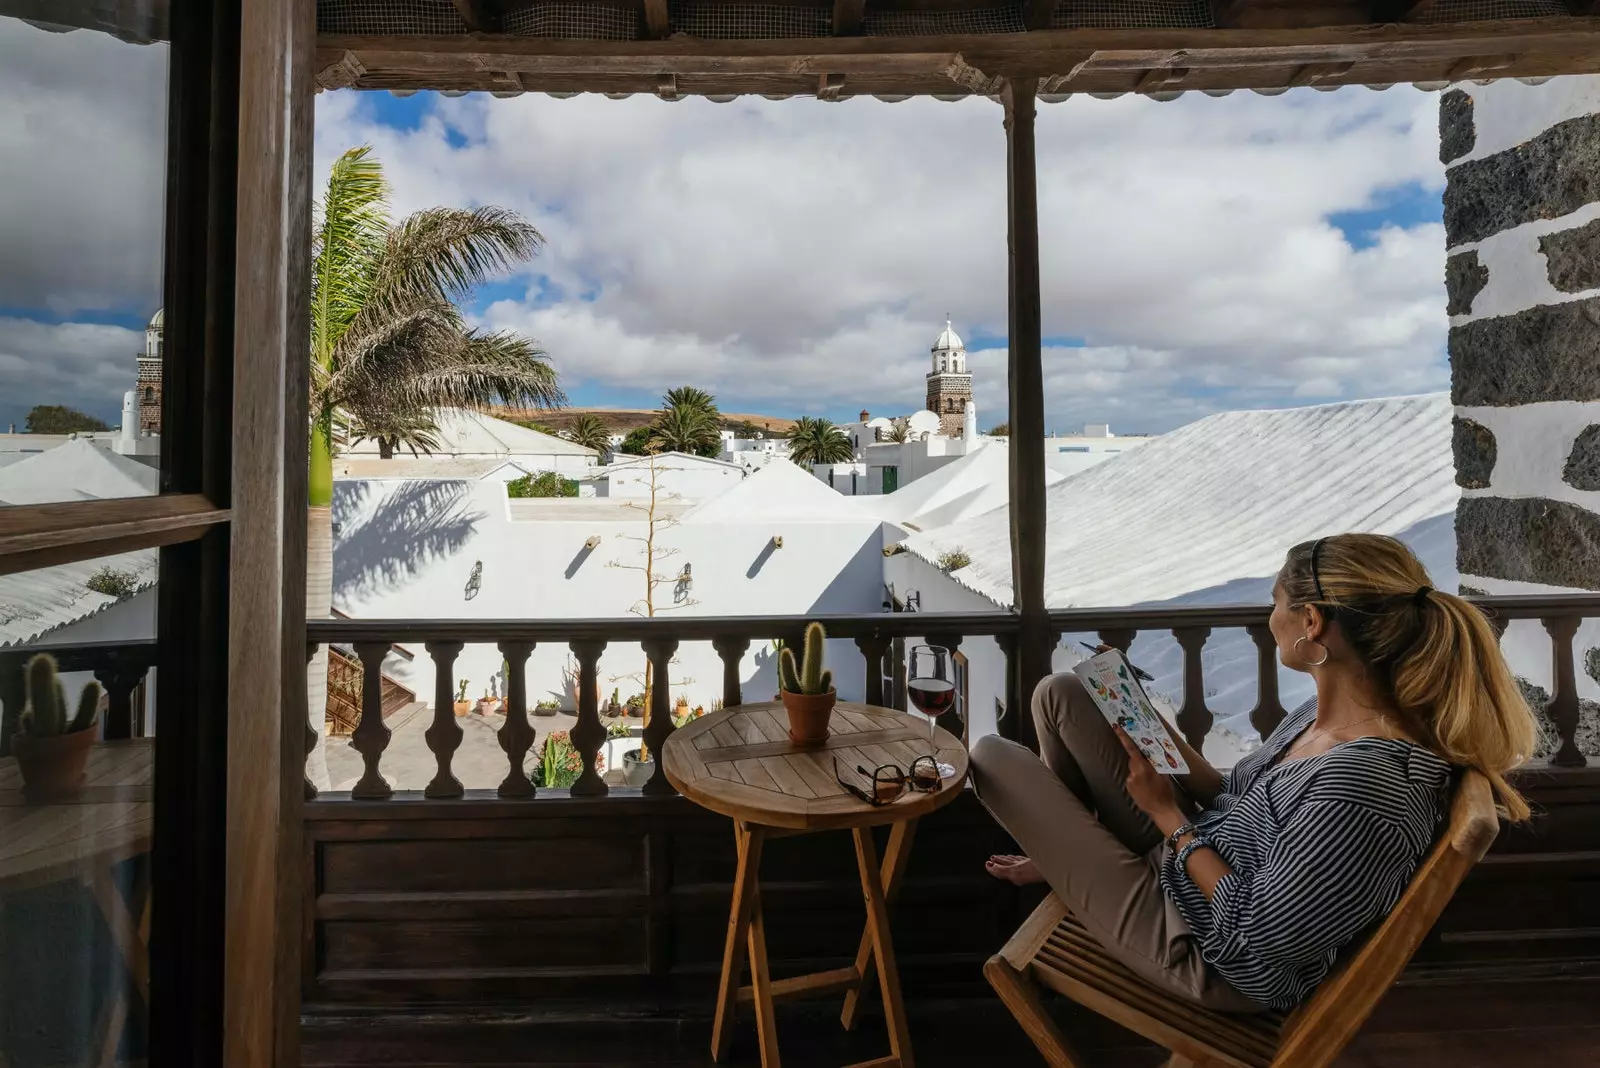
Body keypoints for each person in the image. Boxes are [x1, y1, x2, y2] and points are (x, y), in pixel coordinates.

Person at [970, 533, 1536, 1012]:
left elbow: (1263, 933)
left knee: (993, 757)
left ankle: (1071, 866)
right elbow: (1233, 796)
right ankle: (1072, 863)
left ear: (1311, 623)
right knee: (1065, 695)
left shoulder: (1365, 783)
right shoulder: (1320, 715)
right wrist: (1151, 729)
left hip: (1207, 950)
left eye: (1276, 603)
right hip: (1192, 866)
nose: (1270, 618)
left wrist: (1167, 816)